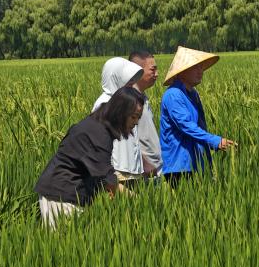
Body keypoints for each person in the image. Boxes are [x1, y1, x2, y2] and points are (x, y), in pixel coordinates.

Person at [35, 87, 144, 228]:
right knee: (66, 239)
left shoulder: (99, 124)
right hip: (61, 195)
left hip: (67, 192)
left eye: (138, 118)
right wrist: (139, 200)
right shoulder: (99, 133)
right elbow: (107, 178)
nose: (136, 122)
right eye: (133, 117)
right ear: (120, 113)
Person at [159, 46, 236, 187]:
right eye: (195, 67)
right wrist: (215, 141)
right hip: (179, 166)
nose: (200, 71)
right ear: (182, 71)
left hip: (195, 163)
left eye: (201, 67)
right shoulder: (173, 95)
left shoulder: (193, 94)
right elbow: (186, 126)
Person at [92, 57, 145, 187]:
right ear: (115, 78)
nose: (132, 83)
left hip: (132, 168)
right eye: (128, 79)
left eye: (132, 80)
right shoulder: (104, 103)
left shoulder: (128, 101)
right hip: (117, 170)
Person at [128, 50, 162, 178]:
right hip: (146, 171)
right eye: (152, 70)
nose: (157, 74)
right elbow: (127, 138)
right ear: (137, 71)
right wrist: (144, 164)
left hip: (156, 167)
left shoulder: (143, 97)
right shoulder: (129, 100)